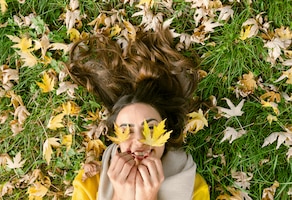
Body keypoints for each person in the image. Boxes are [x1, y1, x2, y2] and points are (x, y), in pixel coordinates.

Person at [67, 27, 210, 200]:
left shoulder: (193, 186)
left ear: (166, 132)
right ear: (115, 136)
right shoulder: (90, 181)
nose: (139, 140)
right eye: (126, 130)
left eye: (150, 128)